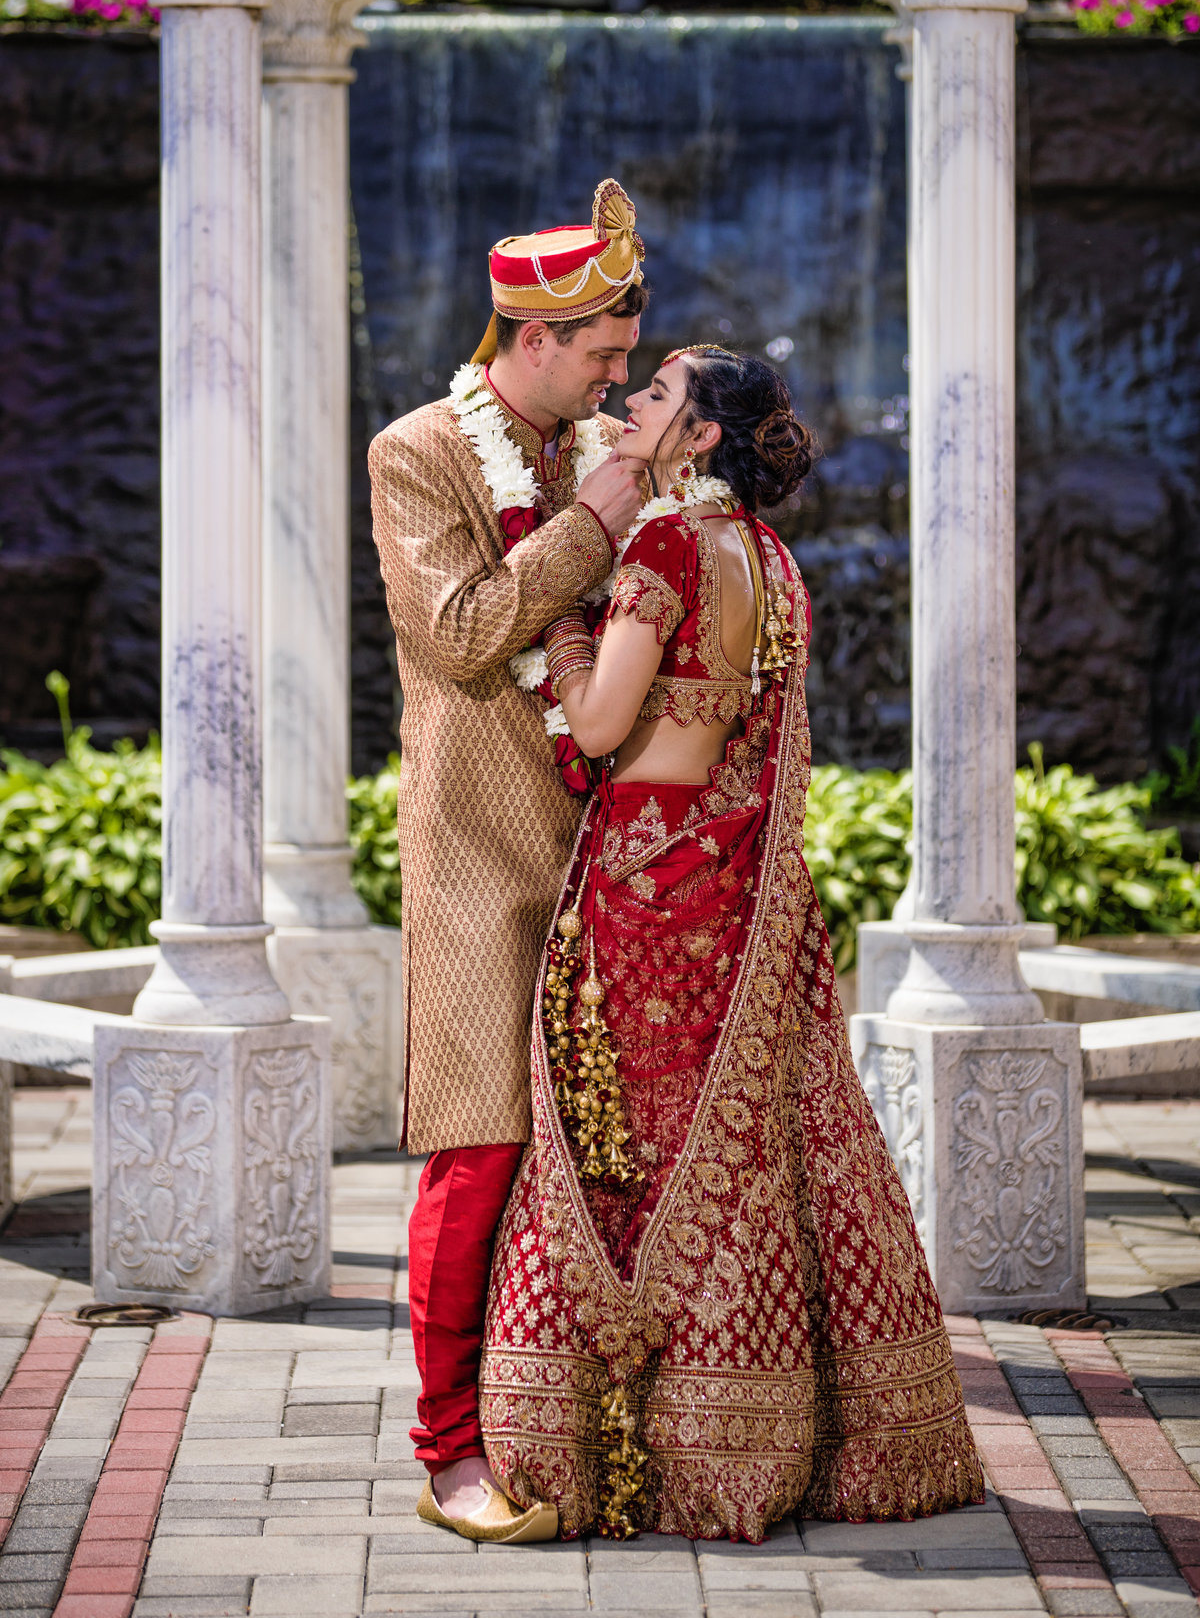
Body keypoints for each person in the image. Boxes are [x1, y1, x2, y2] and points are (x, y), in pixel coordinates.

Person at [478, 345, 985, 1541]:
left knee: (630, 1153)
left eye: (653, 396)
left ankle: (643, 1453)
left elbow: (601, 727)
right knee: (748, 1153)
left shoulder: (661, 549)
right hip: (738, 893)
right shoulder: (771, 561)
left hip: (645, 889)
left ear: (700, 436)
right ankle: (767, 1435)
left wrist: (552, 633)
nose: (629, 406)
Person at [368, 180, 652, 1543]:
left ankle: (579, 1425)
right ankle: (448, 1458)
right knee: (476, 1148)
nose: (619, 374)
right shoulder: (418, 451)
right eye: (602, 351)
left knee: (599, 1145)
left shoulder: (608, 443)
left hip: (612, 840)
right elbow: (470, 633)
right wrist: (595, 522)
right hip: (481, 847)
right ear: (531, 337)